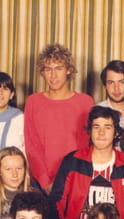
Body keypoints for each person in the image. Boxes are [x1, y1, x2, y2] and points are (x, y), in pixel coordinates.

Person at [49, 105, 124, 219]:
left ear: (116, 133)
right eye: (96, 127)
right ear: (90, 131)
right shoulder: (73, 161)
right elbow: (56, 200)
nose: (101, 133)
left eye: (107, 127)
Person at [24, 43, 94, 190]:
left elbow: (84, 146)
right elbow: (32, 147)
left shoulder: (85, 102)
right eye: (48, 69)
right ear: (42, 72)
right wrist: (45, 183)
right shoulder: (33, 102)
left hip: (74, 180)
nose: (53, 75)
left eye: (58, 68)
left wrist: (66, 181)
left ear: (69, 70)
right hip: (40, 183)